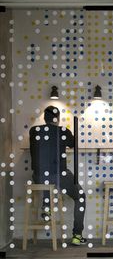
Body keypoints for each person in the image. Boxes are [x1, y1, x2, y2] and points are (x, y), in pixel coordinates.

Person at [29, 105, 87, 246]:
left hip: (37, 177)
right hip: (58, 175)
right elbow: (73, 144)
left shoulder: (33, 130)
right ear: (58, 119)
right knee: (80, 197)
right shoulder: (62, 131)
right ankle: (77, 236)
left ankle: (47, 207)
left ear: (44, 117)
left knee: (46, 177)